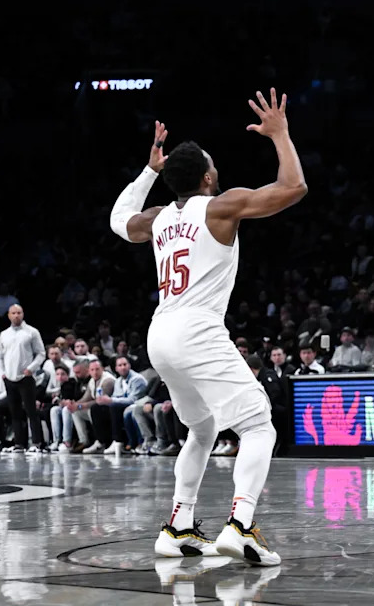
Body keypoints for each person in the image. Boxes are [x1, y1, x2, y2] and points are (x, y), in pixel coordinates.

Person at [109, 91, 306, 565]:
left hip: (161, 334)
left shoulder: (157, 219)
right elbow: (293, 187)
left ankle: (178, 526)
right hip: (197, 329)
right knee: (259, 423)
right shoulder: (220, 206)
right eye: (213, 166)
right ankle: (241, 525)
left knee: (202, 430)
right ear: (206, 177)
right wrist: (280, 134)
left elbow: (118, 221)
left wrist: (148, 171)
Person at [0, 304, 46, 454]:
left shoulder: (32, 332)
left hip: (26, 377)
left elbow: (41, 353)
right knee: (15, 412)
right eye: (13, 313)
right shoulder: (4, 334)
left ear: (23, 314)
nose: (16, 315)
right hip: (9, 378)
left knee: (31, 411)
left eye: (19, 312)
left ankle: (37, 443)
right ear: (9, 315)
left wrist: (31, 368)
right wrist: (2, 372)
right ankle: (19, 444)